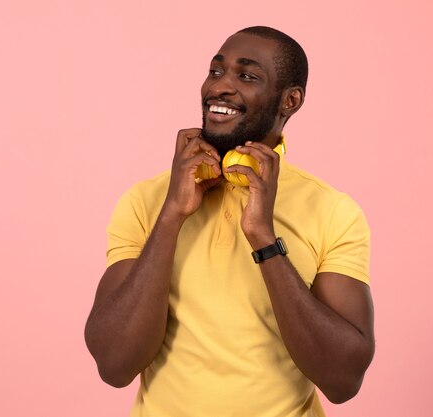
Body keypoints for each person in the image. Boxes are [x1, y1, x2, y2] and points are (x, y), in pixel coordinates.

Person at [85, 26, 375, 417]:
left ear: (289, 101)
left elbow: (343, 380)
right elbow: (114, 364)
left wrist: (263, 237)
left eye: (247, 76)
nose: (220, 87)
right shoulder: (146, 201)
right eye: (215, 71)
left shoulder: (334, 211)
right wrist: (171, 215)